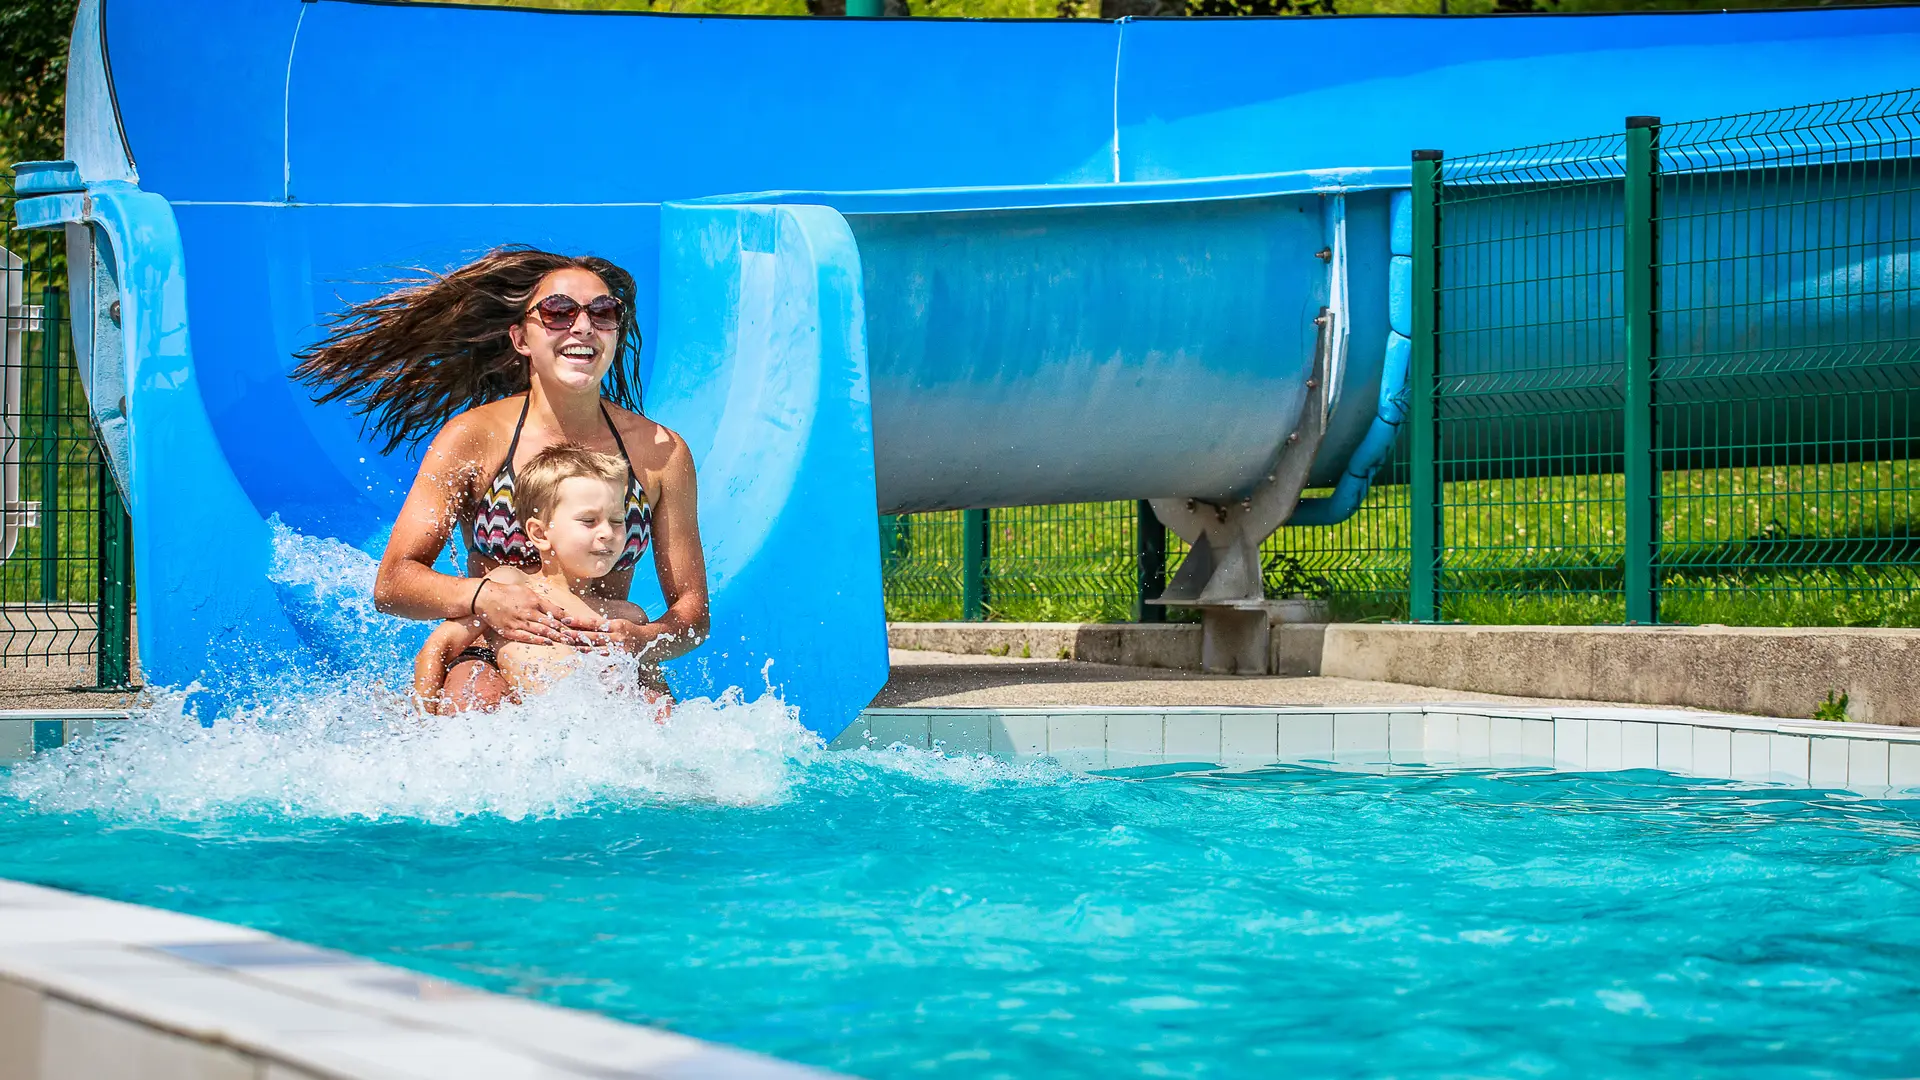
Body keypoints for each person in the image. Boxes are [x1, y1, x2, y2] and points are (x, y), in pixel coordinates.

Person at [293, 247, 709, 709]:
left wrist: (642, 639)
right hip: (491, 644)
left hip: (602, 655)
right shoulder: (474, 438)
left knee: (655, 730)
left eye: (603, 312)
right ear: (521, 339)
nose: (583, 326)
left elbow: (692, 615)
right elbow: (393, 584)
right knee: (478, 707)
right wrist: (485, 597)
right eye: (558, 312)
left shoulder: (659, 453)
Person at [413, 444, 667, 711]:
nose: (607, 532)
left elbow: (658, 698)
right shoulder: (511, 588)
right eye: (589, 521)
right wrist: (422, 721)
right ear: (540, 534)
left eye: (617, 520)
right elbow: (437, 649)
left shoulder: (627, 618)